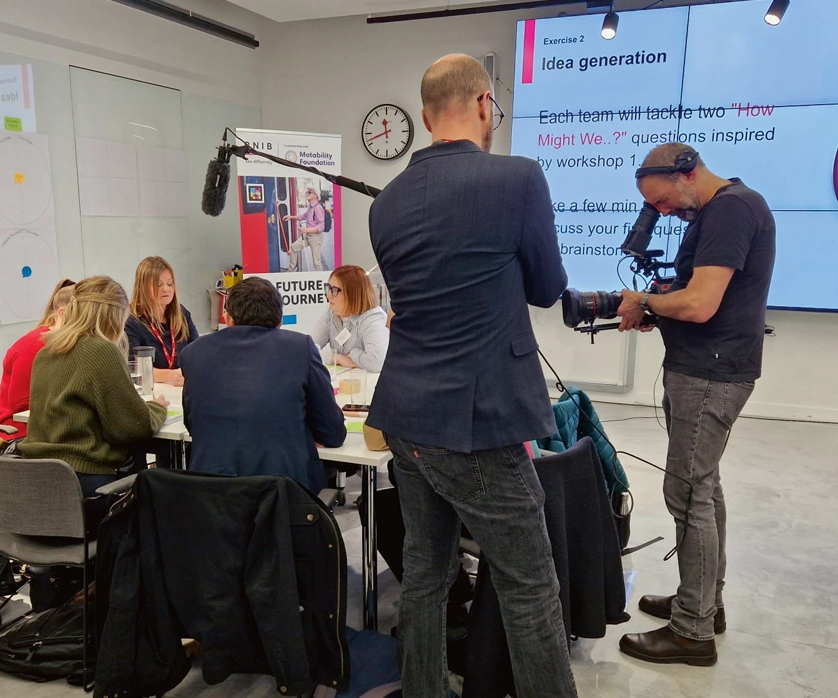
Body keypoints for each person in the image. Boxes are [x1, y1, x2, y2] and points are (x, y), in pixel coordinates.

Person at [367, 54, 576, 698]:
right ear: (486, 105)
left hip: (404, 416)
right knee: (528, 581)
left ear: (427, 117)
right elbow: (547, 288)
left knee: (427, 572)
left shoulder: (387, 203)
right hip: (477, 423)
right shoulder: (517, 179)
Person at [614, 143, 776, 666]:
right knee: (704, 488)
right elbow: (695, 293)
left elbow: (702, 303)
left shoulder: (730, 208)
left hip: (711, 374)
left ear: (688, 173)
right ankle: (704, 604)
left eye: (664, 202)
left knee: (686, 493)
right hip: (703, 368)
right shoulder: (716, 210)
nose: (664, 213)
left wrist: (644, 302)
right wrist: (660, 305)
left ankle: (692, 633)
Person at [20, 276, 169, 523]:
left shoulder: (46, 351)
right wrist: (156, 408)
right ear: (114, 315)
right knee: (165, 493)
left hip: (39, 487)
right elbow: (132, 427)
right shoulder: (101, 350)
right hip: (86, 487)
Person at [179, 277, 345, 493]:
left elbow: (194, 425)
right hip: (284, 497)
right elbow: (332, 432)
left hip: (213, 497)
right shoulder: (300, 348)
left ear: (228, 319)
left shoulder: (193, 353)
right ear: (280, 322)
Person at [0, 279, 76, 438]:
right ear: (63, 314)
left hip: (53, 428)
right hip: (20, 434)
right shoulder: (32, 347)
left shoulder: (72, 343)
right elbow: (23, 406)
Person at [124, 256, 199, 388]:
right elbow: (133, 369)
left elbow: (199, 351)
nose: (166, 289)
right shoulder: (132, 321)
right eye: (159, 285)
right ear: (143, 287)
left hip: (183, 388)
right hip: (151, 390)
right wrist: (171, 375)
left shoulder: (181, 314)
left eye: (170, 284)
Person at [310, 264, 389, 372]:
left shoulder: (373, 319)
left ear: (353, 293)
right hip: (344, 383)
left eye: (334, 290)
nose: (328, 296)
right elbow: (308, 349)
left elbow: (377, 362)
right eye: (328, 288)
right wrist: (337, 358)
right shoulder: (331, 313)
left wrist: (354, 353)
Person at [286, 186, 327, 272]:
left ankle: (322, 280)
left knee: (317, 262)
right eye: (307, 192)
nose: (307, 193)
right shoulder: (310, 207)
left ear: (315, 195)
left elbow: (321, 227)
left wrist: (305, 230)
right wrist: (291, 217)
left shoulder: (318, 208)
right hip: (307, 235)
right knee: (294, 247)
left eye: (310, 192)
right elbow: (302, 217)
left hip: (315, 237)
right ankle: (291, 270)